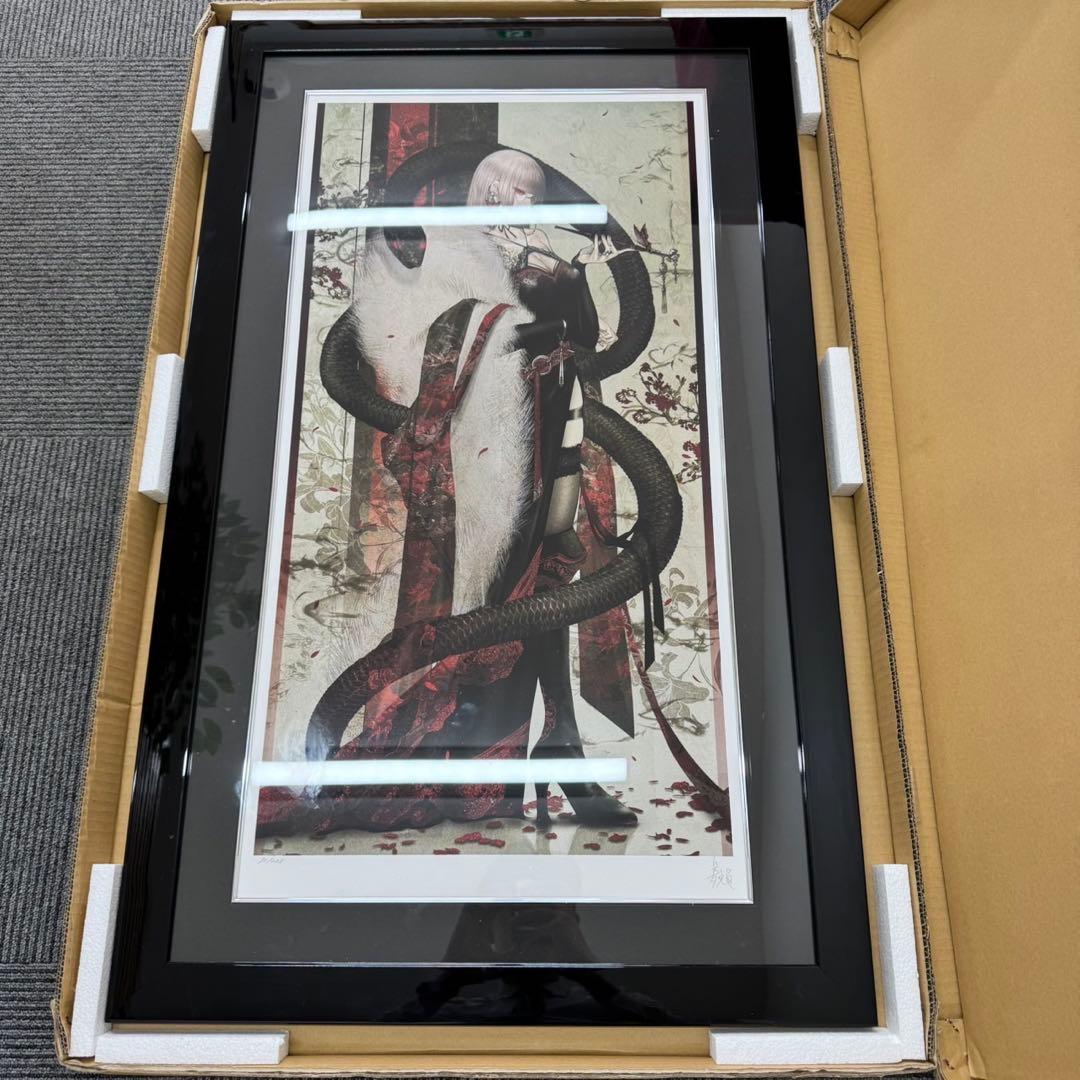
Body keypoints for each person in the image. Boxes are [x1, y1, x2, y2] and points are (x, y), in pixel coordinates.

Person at [259, 148, 657, 839]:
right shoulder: (447, 246)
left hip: (555, 435)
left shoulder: (544, 246)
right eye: (501, 185)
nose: (512, 198)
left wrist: (573, 279)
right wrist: (528, 329)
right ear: (477, 186)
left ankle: (557, 745)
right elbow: (426, 339)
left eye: (525, 189)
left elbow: (590, 345)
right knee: (500, 597)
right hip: (483, 453)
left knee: (549, 580)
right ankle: (498, 764)